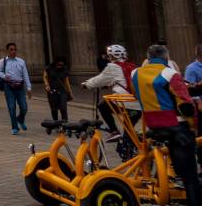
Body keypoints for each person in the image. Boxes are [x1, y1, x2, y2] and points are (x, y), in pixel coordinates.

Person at [131, 44, 199, 206]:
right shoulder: (171, 74)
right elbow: (185, 105)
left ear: (148, 58)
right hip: (177, 127)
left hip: (153, 126)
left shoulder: (135, 74)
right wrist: (193, 126)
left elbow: (135, 93)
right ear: (166, 57)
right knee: (190, 175)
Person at [81, 44, 138, 135]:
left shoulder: (113, 67)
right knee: (128, 131)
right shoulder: (133, 66)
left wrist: (86, 84)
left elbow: (99, 79)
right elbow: (124, 80)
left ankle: (114, 130)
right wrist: (110, 84)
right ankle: (130, 145)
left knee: (103, 106)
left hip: (125, 102)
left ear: (111, 56)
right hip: (138, 103)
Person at [0, 42, 31, 134]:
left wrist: (29, 88)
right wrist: (4, 76)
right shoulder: (3, 61)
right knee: (11, 107)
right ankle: (15, 127)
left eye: (15, 49)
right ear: (7, 51)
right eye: (11, 49)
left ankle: (20, 119)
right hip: (9, 87)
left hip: (20, 87)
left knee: (24, 107)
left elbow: (25, 75)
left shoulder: (21, 61)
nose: (13, 51)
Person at [43, 57, 73, 122]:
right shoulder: (49, 68)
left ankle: (65, 123)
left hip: (62, 91)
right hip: (52, 91)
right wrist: (47, 85)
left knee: (63, 107)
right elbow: (45, 77)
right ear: (55, 63)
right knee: (54, 109)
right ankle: (56, 123)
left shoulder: (64, 70)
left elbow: (66, 82)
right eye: (59, 65)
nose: (60, 66)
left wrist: (70, 92)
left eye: (62, 65)